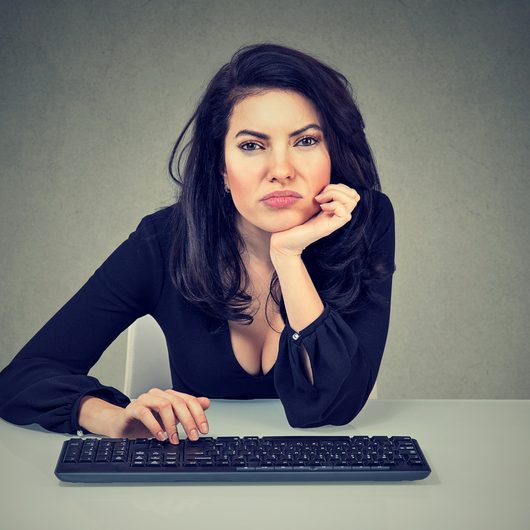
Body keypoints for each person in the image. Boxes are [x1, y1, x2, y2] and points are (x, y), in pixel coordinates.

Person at [0, 42, 395, 445]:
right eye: (251, 146)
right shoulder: (164, 240)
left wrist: (288, 255)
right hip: (193, 475)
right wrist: (111, 418)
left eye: (306, 141)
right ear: (221, 168)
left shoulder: (366, 222)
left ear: (334, 153)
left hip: (325, 488)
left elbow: (334, 407)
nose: (281, 170)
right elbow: (22, 378)